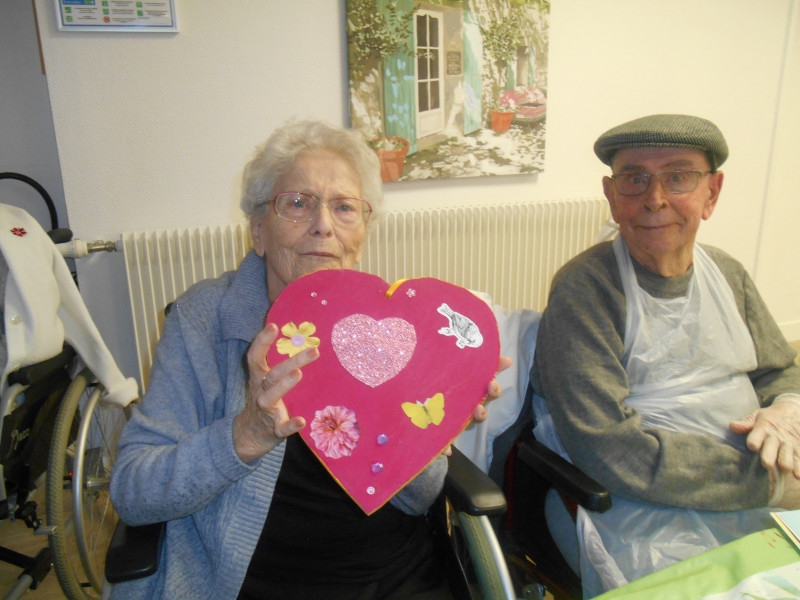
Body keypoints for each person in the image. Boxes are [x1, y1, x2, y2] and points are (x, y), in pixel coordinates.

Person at [110, 120, 510, 600]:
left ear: (361, 233)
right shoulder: (205, 320)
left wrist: (431, 430)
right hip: (257, 583)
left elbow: (419, 498)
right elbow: (134, 491)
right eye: (297, 203)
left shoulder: (395, 332)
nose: (323, 224)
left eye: (344, 207)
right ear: (258, 230)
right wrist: (245, 435)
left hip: (396, 576)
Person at [530, 114, 800, 597]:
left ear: (711, 193)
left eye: (678, 177)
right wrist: (766, 482)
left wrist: (787, 408)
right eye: (634, 179)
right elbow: (609, 448)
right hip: (638, 510)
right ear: (612, 197)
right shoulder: (586, 289)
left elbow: (779, 368)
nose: (654, 200)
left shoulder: (727, 273)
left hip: (758, 477)